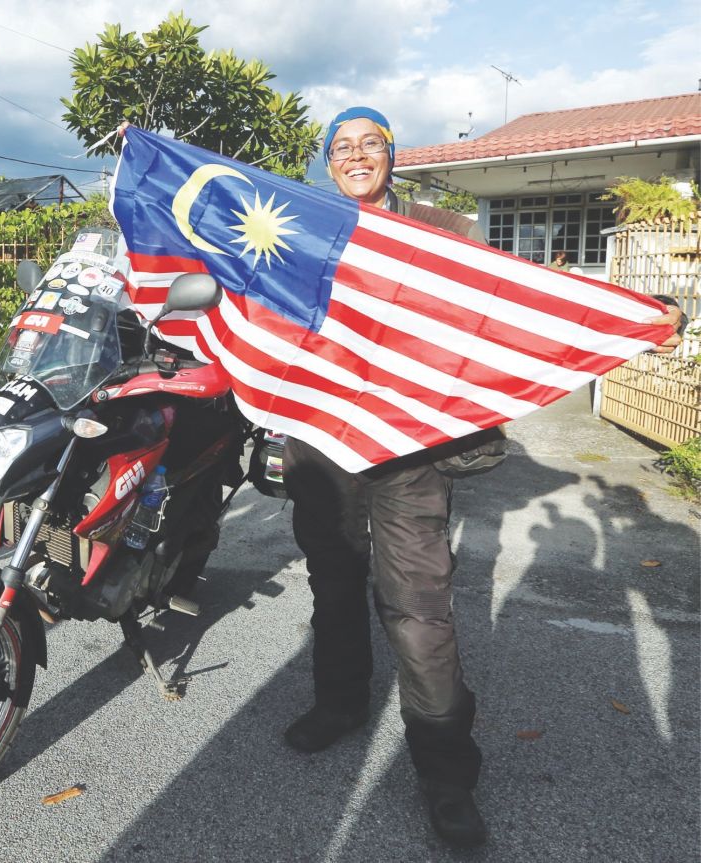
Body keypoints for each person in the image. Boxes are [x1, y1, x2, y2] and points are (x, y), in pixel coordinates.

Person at [280, 106, 685, 849]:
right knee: (332, 583)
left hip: (412, 448)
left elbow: (522, 293)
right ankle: (339, 704)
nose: (357, 155)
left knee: (419, 608)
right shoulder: (301, 226)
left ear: (392, 156)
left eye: (371, 143)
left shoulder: (444, 227)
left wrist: (624, 314)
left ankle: (445, 773)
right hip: (322, 444)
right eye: (342, 147)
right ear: (327, 164)